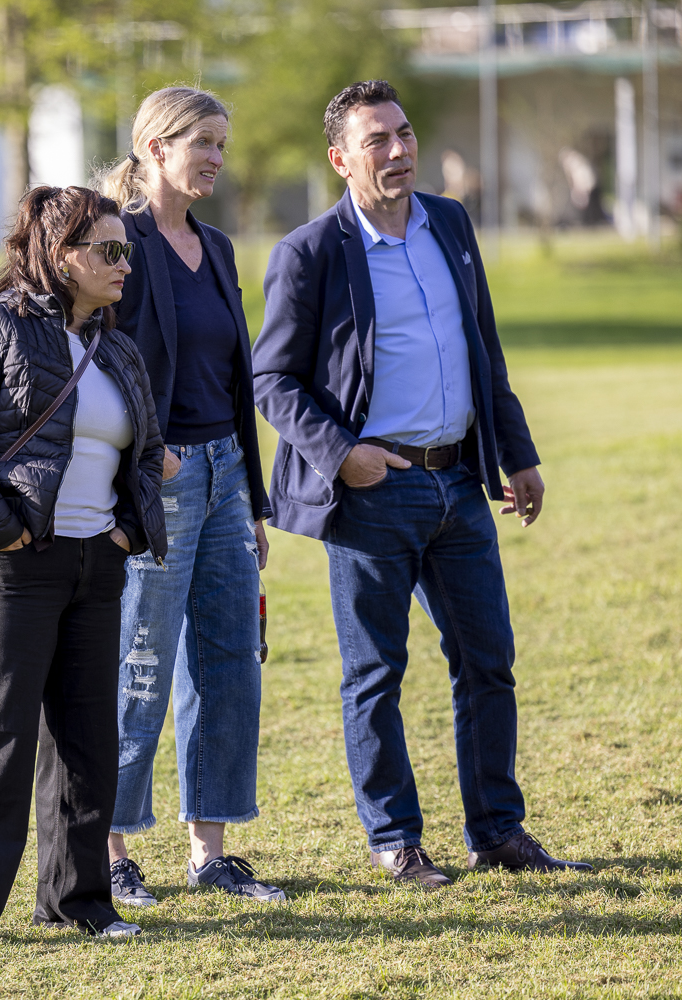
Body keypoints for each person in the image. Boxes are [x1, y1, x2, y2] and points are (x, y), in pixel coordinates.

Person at [251, 80, 592, 887]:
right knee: (376, 674)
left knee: (489, 662)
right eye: (377, 140)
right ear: (341, 159)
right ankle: (395, 839)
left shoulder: (451, 223)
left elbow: (484, 348)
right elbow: (271, 379)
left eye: (403, 133)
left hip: (461, 482)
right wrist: (344, 454)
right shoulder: (308, 253)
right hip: (374, 491)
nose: (399, 150)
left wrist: (519, 454)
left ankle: (497, 833)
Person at [0, 185, 169, 948]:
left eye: (127, 250)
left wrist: (126, 533)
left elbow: (149, 452)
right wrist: (3, 530)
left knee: (87, 742)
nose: (125, 264)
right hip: (14, 564)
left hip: (99, 566)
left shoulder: (118, 349)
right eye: (109, 250)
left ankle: (79, 900)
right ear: (61, 256)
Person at [95, 86, 285, 906]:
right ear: (156, 148)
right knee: (140, 664)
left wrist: (256, 503)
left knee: (229, 662)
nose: (215, 158)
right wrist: (146, 454)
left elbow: (238, 379)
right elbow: (94, 357)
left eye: (222, 145)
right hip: (159, 480)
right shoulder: (119, 242)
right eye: (203, 142)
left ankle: (210, 853)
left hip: (228, 478)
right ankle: (108, 852)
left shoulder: (219, 247)